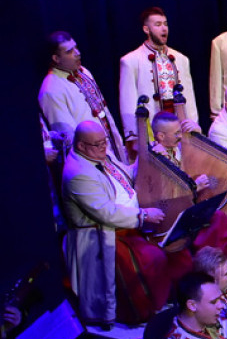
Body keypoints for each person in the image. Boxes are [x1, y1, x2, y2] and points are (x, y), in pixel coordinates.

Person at [61, 121, 167, 327]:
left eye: (105, 141)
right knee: (151, 258)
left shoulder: (99, 155)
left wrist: (146, 157)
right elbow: (106, 213)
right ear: (81, 146)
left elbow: (126, 176)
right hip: (100, 237)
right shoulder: (79, 173)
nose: (104, 147)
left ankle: (157, 307)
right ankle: (139, 314)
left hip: (122, 226)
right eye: (98, 144)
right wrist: (143, 215)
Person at [39, 31, 129, 164]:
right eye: (69, 51)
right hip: (91, 161)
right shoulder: (51, 89)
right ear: (56, 58)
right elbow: (68, 137)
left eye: (76, 47)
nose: (77, 53)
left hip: (112, 149)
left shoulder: (84, 72)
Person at [119, 7, 199, 148]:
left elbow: (189, 97)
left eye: (165, 24)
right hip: (152, 134)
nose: (164, 29)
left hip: (179, 130)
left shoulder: (181, 59)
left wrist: (193, 125)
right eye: (158, 25)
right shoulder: (131, 61)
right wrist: (135, 138)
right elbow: (128, 102)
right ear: (146, 29)